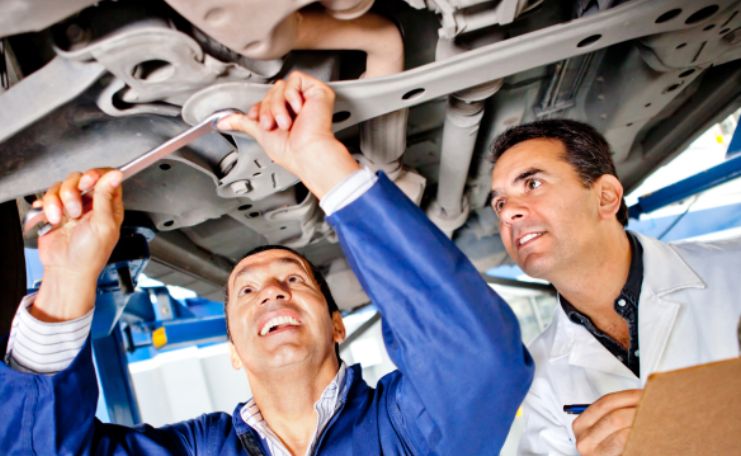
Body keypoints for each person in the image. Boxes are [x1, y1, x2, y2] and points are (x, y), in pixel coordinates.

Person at [0, 72, 534, 455]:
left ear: (338, 325)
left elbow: (482, 365)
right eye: (247, 292)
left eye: (294, 279)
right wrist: (67, 280)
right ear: (234, 350)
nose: (273, 291)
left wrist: (321, 161)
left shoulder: (402, 429)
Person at [486, 119, 741, 456]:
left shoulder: (733, 270)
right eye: (500, 203)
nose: (508, 214)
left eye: (533, 183)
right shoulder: (540, 374)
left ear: (606, 197)